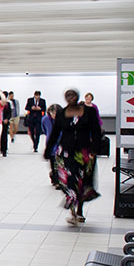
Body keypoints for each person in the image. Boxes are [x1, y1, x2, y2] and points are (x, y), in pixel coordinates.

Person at [52, 89, 103, 225]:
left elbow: (96, 131)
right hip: (67, 153)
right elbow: (56, 132)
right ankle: (73, 211)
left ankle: (79, 209)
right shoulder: (62, 113)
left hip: (84, 153)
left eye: (72, 95)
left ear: (77, 97)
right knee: (70, 182)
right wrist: (48, 150)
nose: (70, 98)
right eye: (68, 95)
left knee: (83, 183)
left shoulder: (89, 112)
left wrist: (95, 149)